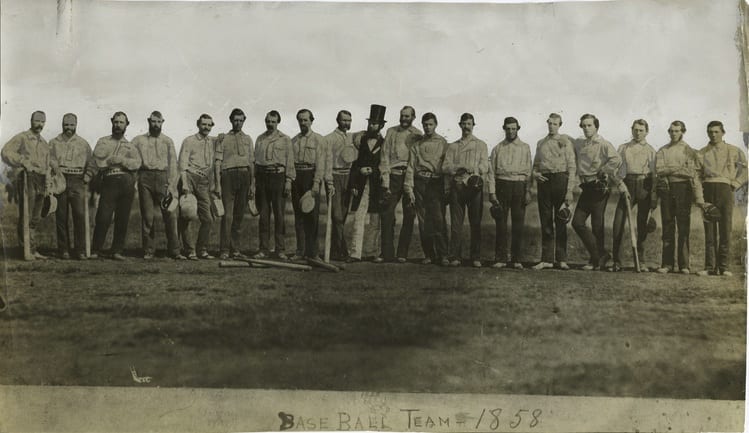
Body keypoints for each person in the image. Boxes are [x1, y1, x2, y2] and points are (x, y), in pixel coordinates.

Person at [695, 120, 747, 277]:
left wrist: (735, 184)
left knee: (725, 229)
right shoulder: (702, 152)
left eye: (716, 131)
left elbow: (746, 170)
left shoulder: (734, 150)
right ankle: (710, 266)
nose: (713, 134)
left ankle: (724, 267)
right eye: (710, 131)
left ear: (723, 132)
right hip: (708, 189)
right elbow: (696, 176)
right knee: (709, 231)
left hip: (726, 190)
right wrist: (699, 198)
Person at [571, 114, 623, 270]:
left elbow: (616, 159)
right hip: (586, 187)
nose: (586, 128)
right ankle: (601, 255)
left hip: (599, 186)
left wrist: (604, 170)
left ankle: (596, 260)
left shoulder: (604, 144)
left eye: (589, 125)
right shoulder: (580, 143)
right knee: (577, 223)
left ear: (596, 127)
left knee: (597, 225)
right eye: (584, 126)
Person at [89, 111, 142, 260]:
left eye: (121, 122)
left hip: (126, 182)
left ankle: (117, 250)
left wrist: (123, 161)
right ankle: (96, 249)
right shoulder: (103, 141)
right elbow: (97, 161)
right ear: (112, 122)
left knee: (122, 218)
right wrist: (109, 161)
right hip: (109, 180)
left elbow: (137, 163)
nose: (118, 125)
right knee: (103, 217)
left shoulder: (130, 146)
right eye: (116, 122)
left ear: (126, 125)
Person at [131, 111, 184, 260]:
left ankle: (174, 250)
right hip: (145, 178)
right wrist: (136, 179)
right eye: (153, 121)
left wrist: (172, 184)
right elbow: (130, 158)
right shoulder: (138, 140)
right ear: (149, 121)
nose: (156, 125)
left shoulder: (167, 141)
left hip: (163, 178)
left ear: (162, 122)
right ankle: (149, 250)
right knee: (147, 216)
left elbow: (174, 164)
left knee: (170, 213)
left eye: (159, 122)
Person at [653, 120, 704, 274]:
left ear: (683, 131)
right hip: (667, 189)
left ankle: (684, 265)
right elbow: (660, 170)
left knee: (683, 227)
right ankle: (667, 264)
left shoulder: (689, 150)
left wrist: (670, 170)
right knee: (668, 226)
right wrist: (678, 169)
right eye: (671, 131)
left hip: (684, 189)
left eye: (677, 131)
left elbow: (690, 172)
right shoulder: (662, 150)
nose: (674, 133)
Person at [1, 111, 52, 260]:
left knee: (36, 217)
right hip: (27, 177)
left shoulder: (44, 143)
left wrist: (48, 185)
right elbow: (6, 151)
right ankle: (25, 250)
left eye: (42, 122)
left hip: (42, 179)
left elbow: (47, 166)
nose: (39, 124)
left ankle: (33, 249)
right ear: (31, 121)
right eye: (37, 121)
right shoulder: (22, 137)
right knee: (27, 214)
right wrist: (22, 160)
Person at [442, 113, 489, 268]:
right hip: (457, 186)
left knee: (475, 223)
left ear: (473, 125)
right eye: (464, 124)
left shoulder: (480, 145)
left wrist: (473, 169)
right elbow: (445, 167)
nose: (466, 127)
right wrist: (458, 168)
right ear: (460, 125)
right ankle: (455, 256)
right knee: (456, 224)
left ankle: (475, 257)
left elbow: (485, 166)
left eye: (469, 124)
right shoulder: (453, 146)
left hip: (474, 187)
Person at [531, 113, 576, 270]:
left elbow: (572, 166)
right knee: (546, 221)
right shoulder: (541, 143)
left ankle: (561, 259)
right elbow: (535, 165)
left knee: (561, 220)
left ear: (559, 125)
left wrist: (569, 191)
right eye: (549, 123)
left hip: (560, 181)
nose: (551, 126)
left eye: (555, 124)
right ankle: (547, 259)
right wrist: (535, 174)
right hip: (544, 182)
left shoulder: (565, 142)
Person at [610, 119, 656, 272]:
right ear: (632, 130)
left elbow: (654, 174)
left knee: (641, 225)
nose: (638, 133)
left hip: (644, 186)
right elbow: (614, 171)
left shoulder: (650, 150)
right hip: (627, 185)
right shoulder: (623, 148)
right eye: (635, 129)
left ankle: (641, 262)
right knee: (618, 224)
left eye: (641, 130)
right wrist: (620, 185)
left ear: (647, 132)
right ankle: (616, 261)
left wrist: (653, 194)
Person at [404, 112, 449, 266]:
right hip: (420, 182)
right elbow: (411, 167)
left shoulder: (443, 143)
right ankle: (429, 254)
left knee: (438, 219)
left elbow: (447, 166)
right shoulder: (417, 145)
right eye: (425, 125)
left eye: (430, 124)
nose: (427, 127)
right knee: (423, 221)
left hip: (436, 183)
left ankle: (443, 255)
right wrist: (409, 189)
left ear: (436, 125)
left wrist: (446, 188)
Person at [379, 106, 423, 263]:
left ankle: (402, 253)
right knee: (387, 214)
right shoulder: (391, 132)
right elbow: (384, 157)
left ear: (413, 117)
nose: (404, 119)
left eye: (407, 116)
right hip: (393, 176)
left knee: (409, 214)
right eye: (402, 115)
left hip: (411, 178)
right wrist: (385, 181)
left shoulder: (418, 135)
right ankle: (386, 253)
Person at [488, 116, 532, 269]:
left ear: (518, 129)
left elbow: (528, 171)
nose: (511, 131)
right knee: (501, 222)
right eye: (508, 129)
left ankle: (516, 259)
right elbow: (491, 173)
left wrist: (527, 191)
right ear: (504, 129)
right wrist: (492, 193)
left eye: (514, 128)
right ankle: (500, 258)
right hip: (502, 185)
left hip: (519, 186)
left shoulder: (525, 147)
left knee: (518, 224)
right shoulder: (497, 148)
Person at [48, 113, 93, 260]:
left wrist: (87, 175)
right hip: (60, 179)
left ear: (76, 125)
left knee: (79, 215)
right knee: (61, 216)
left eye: (72, 125)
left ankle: (80, 250)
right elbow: (48, 161)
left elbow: (91, 163)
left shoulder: (83, 143)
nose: (69, 128)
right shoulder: (54, 142)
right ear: (62, 124)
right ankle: (64, 250)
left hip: (77, 179)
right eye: (66, 124)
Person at [348, 104, 387, 263]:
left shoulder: (385, 143)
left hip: (377, 185)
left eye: (375, 123)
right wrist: (355, 181)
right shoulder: (360, 140)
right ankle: (355, 253)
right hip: (361, 184)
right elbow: (354, 164)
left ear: (381, 125)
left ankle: (373, 253)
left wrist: (375, 173)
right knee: (358, 218)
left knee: (374, 219)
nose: (372, 125)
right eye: (370, 122)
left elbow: (385, 164)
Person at [254, 110, 295, 260]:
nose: (270, 124)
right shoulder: (260, 138)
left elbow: (290, 161)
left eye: (273, 121)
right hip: (263, 178)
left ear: (278, 122)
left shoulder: (285, 139)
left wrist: (289, 181)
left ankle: (280, 249)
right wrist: (255, 182)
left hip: (278, 177)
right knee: (263, 216)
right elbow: (256, 162)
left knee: (279, 215)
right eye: (268, 121)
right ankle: (263, 249)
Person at [214, 108, 255, 260]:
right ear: (231, 120)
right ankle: (224, 250)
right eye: (235, 120)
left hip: (244, 176)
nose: (238, 123)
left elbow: (251, 163)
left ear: (244, 120)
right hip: (228, 176)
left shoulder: (248, 139)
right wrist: (218, 184)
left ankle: (235, 249)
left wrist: (252, 185)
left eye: (241, 120)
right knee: (228, 216)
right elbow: (218, 162)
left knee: (239, 215)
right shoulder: (223, 138)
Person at [177, 114, 218, 260]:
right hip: (189, 177)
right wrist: (185, 184)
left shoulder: (212, 142)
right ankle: (190, 250)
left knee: (208, 218)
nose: (206, 127)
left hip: (204, 181)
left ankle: (202, 250)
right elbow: (182, 163)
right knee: (187, 215)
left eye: (209, 125)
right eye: (204, 124)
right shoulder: (189, 141)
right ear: (198, 124)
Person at [290, 109, 325, 260]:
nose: (303, 123)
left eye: (305, 120)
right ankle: (300, 250)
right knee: (299, 216)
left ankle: (313, 252)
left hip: (311, 177)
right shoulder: (293, 141)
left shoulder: (318, 140)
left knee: (312, 216)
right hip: (297, 177)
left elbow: (321, 163)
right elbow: (290, 164)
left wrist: (316, 183)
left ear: (311, 121)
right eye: (300, 120)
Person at [319, 110, 353, 261]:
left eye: (349, 120)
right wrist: (329, 182)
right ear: (337, 120)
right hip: (335, 176)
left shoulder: (352, 138)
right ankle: (342, 252)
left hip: (348, 177)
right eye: (344, 120)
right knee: (337, 216)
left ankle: (334, 251)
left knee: (342, 217)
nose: (347, 123)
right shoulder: (329, 139)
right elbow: (326, 162)